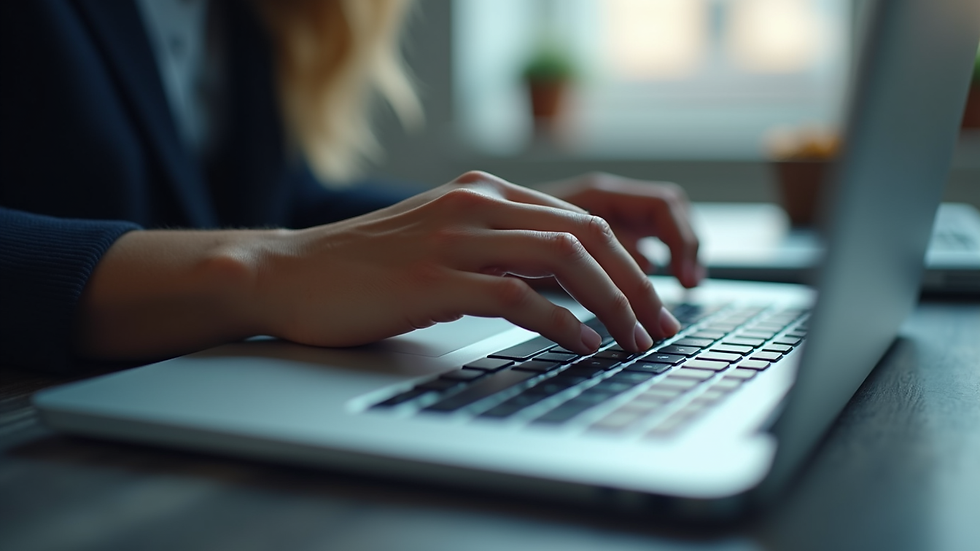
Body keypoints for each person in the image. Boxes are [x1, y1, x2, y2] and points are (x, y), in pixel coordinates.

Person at [0, 0, 703, 374]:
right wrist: (252, 270)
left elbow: (284, 210)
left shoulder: (249, 15)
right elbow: (278, 244)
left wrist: (507, 224)